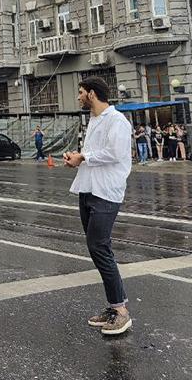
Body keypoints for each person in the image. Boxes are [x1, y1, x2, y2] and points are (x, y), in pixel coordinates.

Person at [63, 77, 133, 336]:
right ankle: (116, 305)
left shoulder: (117, 121)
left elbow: (115, 153)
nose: (79, 97)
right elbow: (93, 155)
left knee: (99, 247)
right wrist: (77, 159)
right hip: (88, 189)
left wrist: (85, 157)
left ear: (92, 94)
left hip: (107, 192)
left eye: (81, 92)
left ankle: (122, 312)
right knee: (98, 248)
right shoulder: (93, 120)